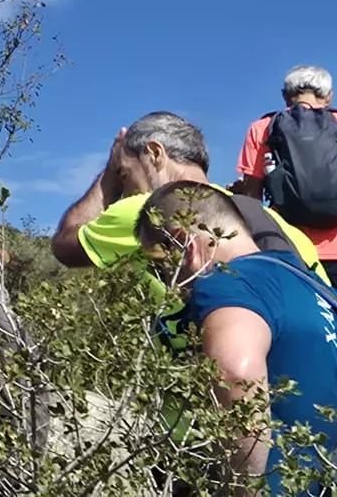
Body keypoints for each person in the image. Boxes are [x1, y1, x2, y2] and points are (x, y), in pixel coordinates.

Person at [140, 180, 337, 494]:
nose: (175, 287)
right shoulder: (314, 284)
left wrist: (240, 489)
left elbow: (235, 375)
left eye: (162, 268)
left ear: (187, 247)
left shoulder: (228, 283)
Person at [52, 112, 329, 281]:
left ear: (155, 153)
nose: (126, 190)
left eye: (126, 175)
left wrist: (109, 175)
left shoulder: (148, 210)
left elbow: (65, 246)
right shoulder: (279, 224)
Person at [233, 65, 337, 281]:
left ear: (285, 96)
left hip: (291, 246)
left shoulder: (262, 127)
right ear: (328, 97)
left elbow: (252, 197)